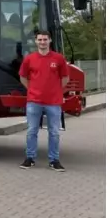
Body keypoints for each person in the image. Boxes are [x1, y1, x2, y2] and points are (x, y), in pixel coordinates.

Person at [18, 30, 69, 172]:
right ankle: (30, 158)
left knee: (54, 132)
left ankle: (54, 160)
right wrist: (32, 89)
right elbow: (22, 77)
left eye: (45, 39)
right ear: (35, 41)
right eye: (40, 40)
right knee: (31, 130)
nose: (42, 42)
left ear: (50, 41)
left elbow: (65, 78)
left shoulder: (58, 58)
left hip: (53, 102)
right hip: (34, 101)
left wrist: (56, 91)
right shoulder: (29, 58)